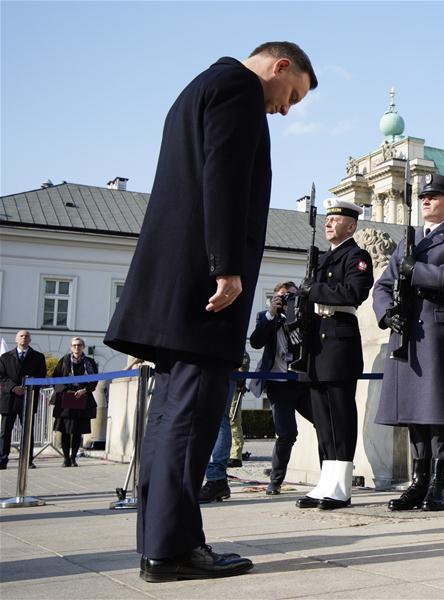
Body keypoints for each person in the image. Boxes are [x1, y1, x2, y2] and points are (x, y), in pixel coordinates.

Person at [104, 41, 317, 582]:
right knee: (191, 418)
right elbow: (222, 178)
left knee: (170, 419)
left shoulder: (199, 87)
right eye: (291, 95)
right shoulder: (239, 89)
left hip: (177, 282)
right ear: (280, 66)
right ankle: (173, 550)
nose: (286, 110)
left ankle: (161, 543)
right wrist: (226, 267)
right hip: (206, 285)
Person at [372, 173, 444, 511]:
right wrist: (388, 314)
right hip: (407, 331)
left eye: (433, 197)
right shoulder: (408, 240)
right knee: (415, 411)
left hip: (435, 329)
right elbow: (383, 286)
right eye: (423, 197)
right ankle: (417, 481)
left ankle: (437, 483)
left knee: (438, 410)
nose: (426, 201)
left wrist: (415, 270)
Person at [294, 199, 373, 510]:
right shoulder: (323, 258)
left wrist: (312, 291)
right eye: (327, 219)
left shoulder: (356, 256)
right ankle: (326, 481)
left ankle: (341, 486)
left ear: (351, 226)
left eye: (335, 219)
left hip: (339, 341)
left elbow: (354, 293)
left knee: (340, 416)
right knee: (323, 420)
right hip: (316, 345)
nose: (329, 223)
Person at [249, 282, 314, 496]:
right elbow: (257, 342)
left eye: (292, 297)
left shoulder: (305, 317)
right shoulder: (266, 317)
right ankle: (275, 482)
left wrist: (297, 313)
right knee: (286, 434)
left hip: (303, 383)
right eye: (283, 297)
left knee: (325, 424)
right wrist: (271, 314)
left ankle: (332, 476)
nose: (287, 301)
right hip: (279, 385)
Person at [0, 330, 47, 470]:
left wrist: (29, 386)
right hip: (9, 399)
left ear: (30, 340)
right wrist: (13, 388)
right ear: (16, 339)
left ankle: (27, 460)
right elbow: (1, 377)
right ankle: (2, 460)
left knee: (27, 431)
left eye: (26, 336)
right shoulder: (5, 357)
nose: (24, 338)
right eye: (21, 336)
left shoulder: (38, 357)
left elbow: (41, 376)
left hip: (28, 398)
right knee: (5, 432)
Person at [51, 337, 98, 467]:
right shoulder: (64, 361)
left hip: (82, 399)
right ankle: (66, 458)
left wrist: (85, 390)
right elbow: (55, 378)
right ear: (71, 347)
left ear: (83, 347)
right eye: (74, 345)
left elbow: (95, 380)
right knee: (65, 431)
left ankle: (73, 458)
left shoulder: (89, 362)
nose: (76, 347)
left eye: (79, 345)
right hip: (66, 399)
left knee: (77, 431)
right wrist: (66, 390)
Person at [227, 353, 250, 468]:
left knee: (233, 420)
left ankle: (235, 455)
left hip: (235, 385)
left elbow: (244, 359)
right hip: (224, 382)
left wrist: (241, 378)